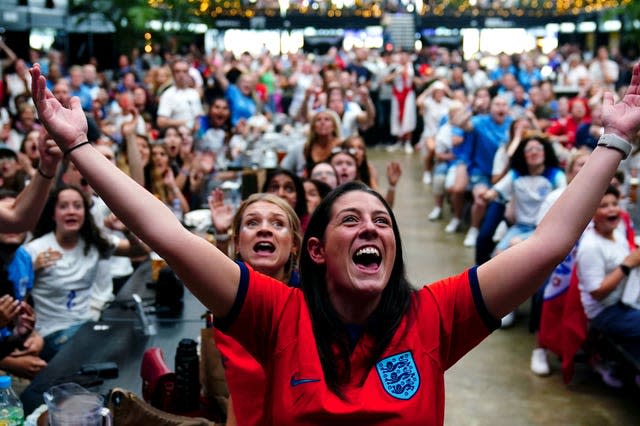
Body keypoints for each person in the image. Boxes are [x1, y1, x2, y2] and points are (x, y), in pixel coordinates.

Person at [30, 61, 640, 425]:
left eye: (381, 222)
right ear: (316, 250)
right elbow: (164, 230)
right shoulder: (278, 315)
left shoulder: (435, 316)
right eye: (350, 221)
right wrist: (81, 148)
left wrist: (613, 142)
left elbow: (551, 241)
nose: (372, 227)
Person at [208, 192, 302, 425]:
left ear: (294, 246)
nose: (264, 229)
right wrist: (221, 236)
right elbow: (239, 398)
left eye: (278, 223)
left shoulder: (315, 304)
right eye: (252, 222)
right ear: (237, 243)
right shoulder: (228, 307)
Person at [24, 185, 147, 360]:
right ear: (53, 214)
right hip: (51, 334)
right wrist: (31, 270)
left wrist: (126, 231)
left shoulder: (94, 243)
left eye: (77, 206)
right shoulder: (35, 250)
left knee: (131, 338)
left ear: (85, 213)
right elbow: (15, 295)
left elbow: (140, 251)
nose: (71, 211)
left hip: (86, 327)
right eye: (63, 206)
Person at [0, 137, 60, 233]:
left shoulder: (25, 181)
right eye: (0, 159)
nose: (4, 162)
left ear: (18, 164)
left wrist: (47, 166)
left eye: (9, 158)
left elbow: (18, 218)